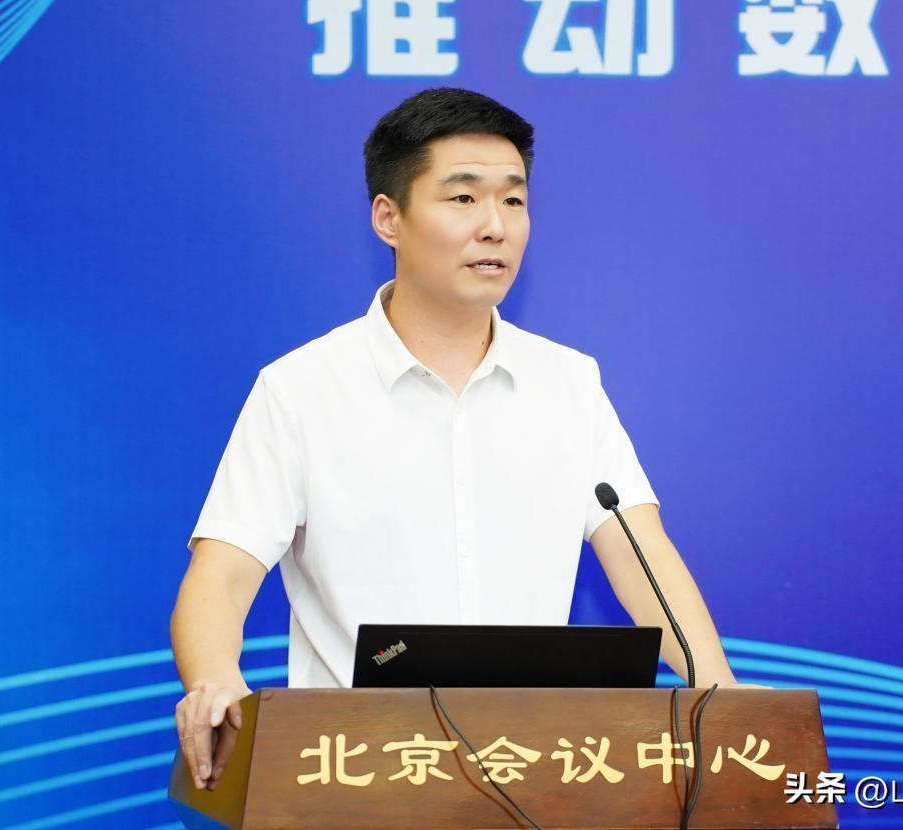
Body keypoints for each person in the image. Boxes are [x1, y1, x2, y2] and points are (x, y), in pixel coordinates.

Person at [170, 88, 741, 791]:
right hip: (356, 776)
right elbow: (220, 574)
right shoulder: (302, 389)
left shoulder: (568, 382)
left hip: (534, 773)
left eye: (513, 200)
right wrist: (214, 679)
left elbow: (640, 552)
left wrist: (721, 690)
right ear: (389, 218)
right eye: (463, 198)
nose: (495, 226)